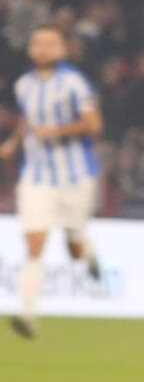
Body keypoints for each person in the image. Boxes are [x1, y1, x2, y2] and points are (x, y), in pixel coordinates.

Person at [6, 25, 103, 338]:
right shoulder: (23, 85)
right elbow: (28, 120)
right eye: (38, 43)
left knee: (74, 246)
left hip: (75, 175)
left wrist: (56, 132)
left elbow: (93, 124)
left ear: (62, 49)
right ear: (30, 49)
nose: (43, 48)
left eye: (50, 43)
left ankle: (89, 253)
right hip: (36, 175)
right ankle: (28, 317)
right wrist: (13, 143)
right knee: (34, 243)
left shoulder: (75, 83)